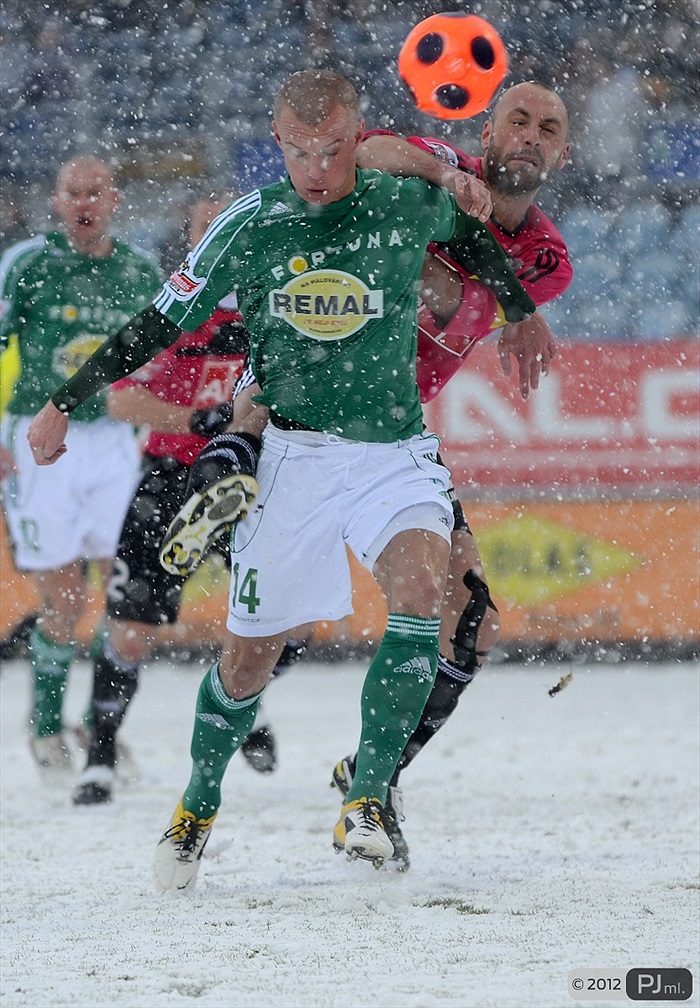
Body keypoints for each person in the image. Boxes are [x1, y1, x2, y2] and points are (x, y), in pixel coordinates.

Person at [26, 69, 536, 888]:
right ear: (278, 145)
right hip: (292, 459)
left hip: (393, 452)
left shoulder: (400, 203)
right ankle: (197, 802)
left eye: (334, 150)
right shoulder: (250, 224)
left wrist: (521, 308)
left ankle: (365, 797)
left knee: (419, 593)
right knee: (247, 661)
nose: (319, 170)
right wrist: (61, 402)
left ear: (357, 137)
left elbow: (473, 238)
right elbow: (158, 323)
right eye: (301, 152)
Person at [329, 80, 572, 867]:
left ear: (563, 153)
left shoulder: (546, 256)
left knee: (472, 625)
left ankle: (371, 780)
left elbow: (456, 305)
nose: (531, 137)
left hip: (397, 437)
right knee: (269, 637)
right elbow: (365, 150)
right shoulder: (442, 165)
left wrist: (452, 282)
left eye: (549, 129)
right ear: (487, 131)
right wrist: (442, 180)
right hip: (315, 406)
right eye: (518, 121)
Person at [73, 192, 311, 806]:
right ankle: (99, 757)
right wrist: (201, 419)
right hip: (172, 478)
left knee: (296, 624)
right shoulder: (173, 310)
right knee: (130, 632)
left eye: (233, 223)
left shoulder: (283, 302)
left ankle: (238, 698)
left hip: (256, 475)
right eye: (210, 226)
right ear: (194, 239)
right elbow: (119, 400)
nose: (226, 235)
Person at [0, 155, 162, 780]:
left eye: (96, 192)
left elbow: (159, 360)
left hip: (114, 439)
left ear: (115, 200)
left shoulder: (140, 271)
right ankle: (44, 728)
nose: (85, 202)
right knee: (64, 598)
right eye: (74, 192)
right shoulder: (28, 264)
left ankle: (100, 725)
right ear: (57, 200)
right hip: (40, 438)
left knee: (120, 598)